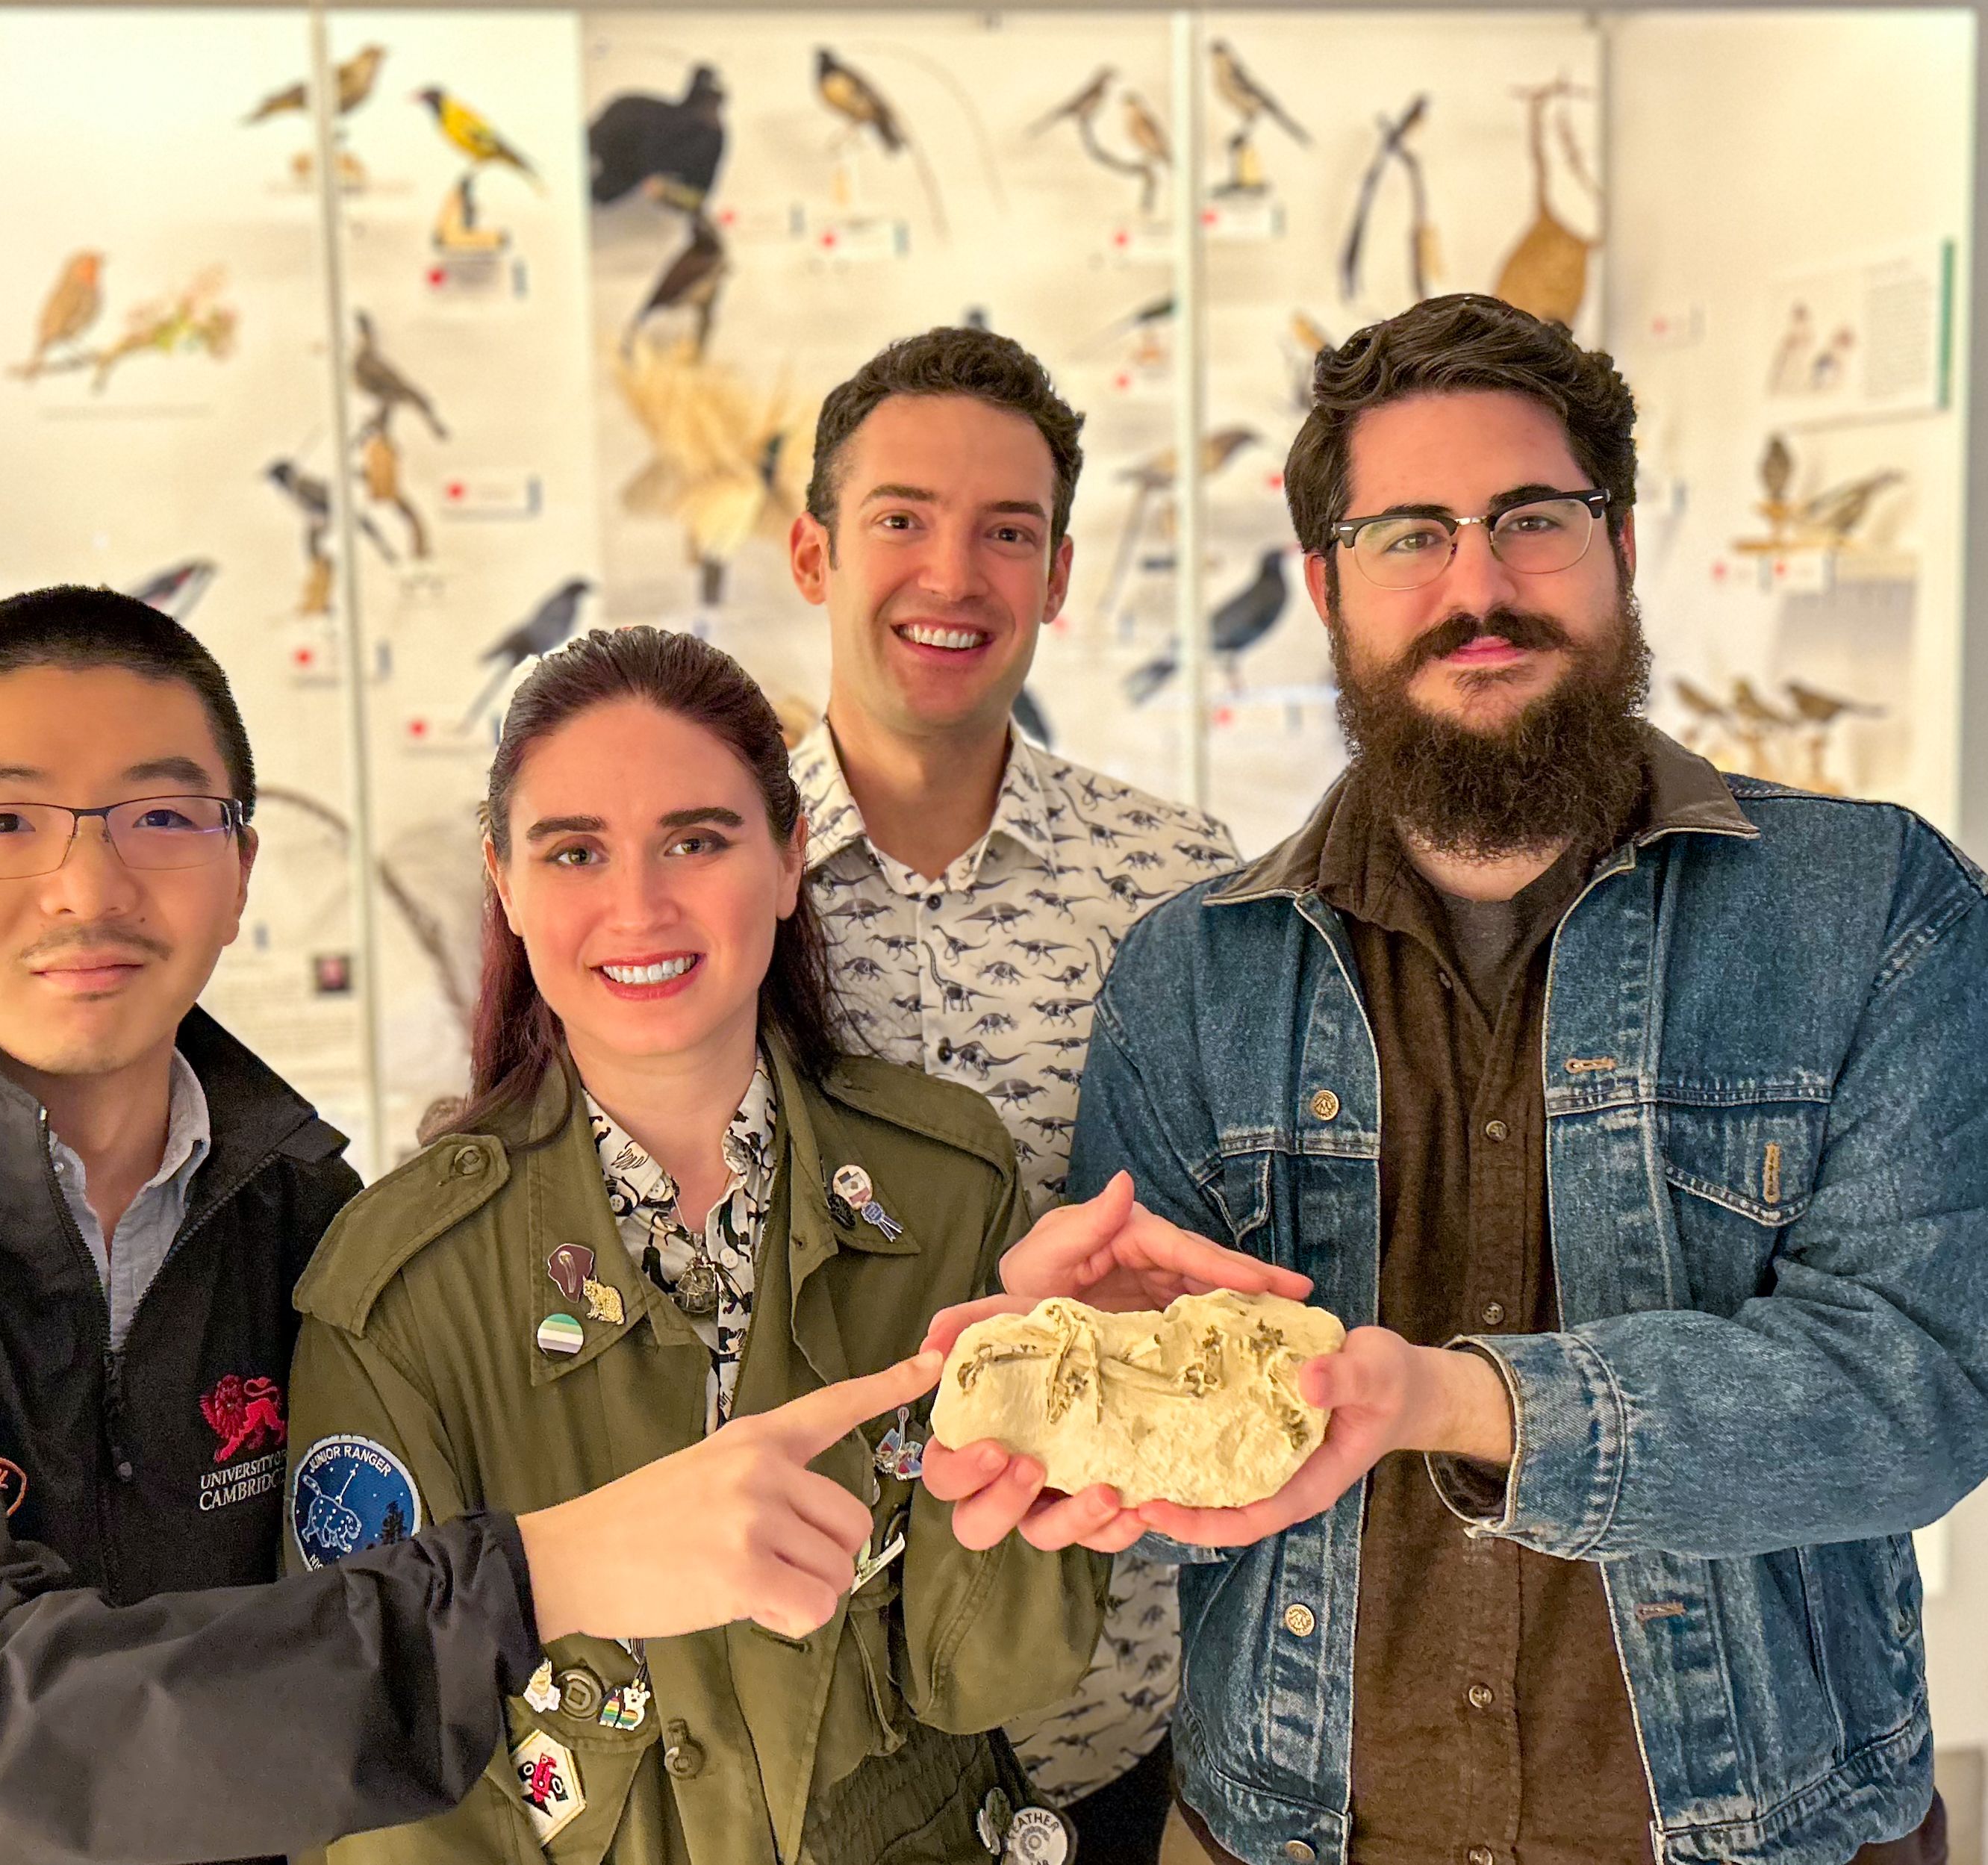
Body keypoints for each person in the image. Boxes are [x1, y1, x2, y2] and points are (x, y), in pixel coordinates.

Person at [0, 589, 978, 1865]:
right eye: (3, 822)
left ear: (241, 864)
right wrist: (549, 1573)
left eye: (157, 815)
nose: (86, 887)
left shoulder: (304, 1221)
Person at [933, 296, 1979, 1865]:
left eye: (1529, 519)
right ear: (1323, 584)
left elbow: (1915, 1392)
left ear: (1616, 544)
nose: (1476, 585)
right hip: (1280, 1833)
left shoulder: (1872, 908)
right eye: (1407, 532)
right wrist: (1093, 1379)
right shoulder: (1188, 977)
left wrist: (1454, 1396)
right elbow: (1152, 1410)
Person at [287, 626, 1286, 1865]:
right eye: (575, 850)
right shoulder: (397, 1291)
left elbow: (985, 1681)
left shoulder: (944, 1182)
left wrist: (1030, 1394)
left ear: (788, 856)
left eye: (696, 840)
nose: (639, 904)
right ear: (504, 880)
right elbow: (389, 1776)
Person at [786, 323, 1242, 1856]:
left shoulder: (1177, 883)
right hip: (801, 1719)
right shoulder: (704, 883)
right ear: (812, 551)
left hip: (1121, 1700)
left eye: (1006, 532)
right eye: (900, 518)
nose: (951, 574)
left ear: (1054, 578)